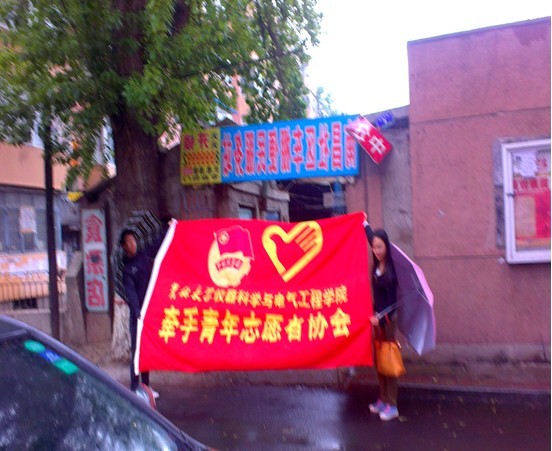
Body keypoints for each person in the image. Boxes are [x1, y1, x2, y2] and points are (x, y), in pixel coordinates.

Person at [363, 217, 400, 421]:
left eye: (380, 247)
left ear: (387, 246)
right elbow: (371, 236)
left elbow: (393, 304)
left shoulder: (391, 273)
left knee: (389, 361)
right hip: (377, 318)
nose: (376, 250)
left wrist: (382, 320)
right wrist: (364, 222)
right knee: (379, 361)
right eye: (374, 247)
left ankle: (392, 405)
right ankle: (383, 398)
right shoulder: (377, 264)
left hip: (387, 321)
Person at [120, 228, 162, 397]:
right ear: (124, 247)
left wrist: (169, 228)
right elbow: (132, 295)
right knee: (137, 353)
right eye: (129, 242)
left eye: (133, 240)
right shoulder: (127, 270)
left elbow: (157, 244)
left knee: (146, 351)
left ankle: (146, 386)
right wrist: (138, 313)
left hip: (149, 314)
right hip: (137, 317)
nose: (133, 244)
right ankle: (134, 387)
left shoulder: (143, 256)